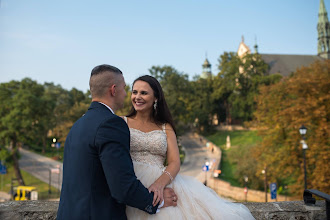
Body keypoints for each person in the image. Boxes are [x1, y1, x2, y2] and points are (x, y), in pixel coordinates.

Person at [123, 75, 255, 219]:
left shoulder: (165, 127)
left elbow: (174, 162)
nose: (137, 97)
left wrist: (159, 185)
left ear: (156, 98)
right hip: (131, 181)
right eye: (134, 92)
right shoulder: (121, 122)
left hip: (162, 182)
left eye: (144, 93)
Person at [57, 65, 177, 220]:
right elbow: (122, 186)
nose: (127, 94)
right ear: (113, 90)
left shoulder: (78, 124)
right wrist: (155, 202)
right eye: (126, 89)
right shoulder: (111, 124)